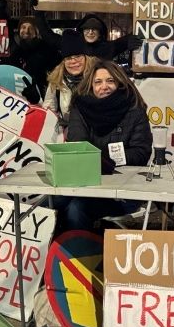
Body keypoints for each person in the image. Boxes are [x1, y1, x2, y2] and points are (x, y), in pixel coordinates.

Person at [53, 60, 153, 232]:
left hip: (122, 189)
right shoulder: (80, 106)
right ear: (91, 85)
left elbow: (140, 153)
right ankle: (56, 251)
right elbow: (79, 144)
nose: (104, 86)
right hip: (85, 183)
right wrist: (101, 158)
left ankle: (82, 255)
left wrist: (103, 158)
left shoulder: (135, 109)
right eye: (98, 82)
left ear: (120, 82)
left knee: (76, 210)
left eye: (110, 81)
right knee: (52, 201)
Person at [42, 30, 95, 132]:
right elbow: (49, 113)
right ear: (63, 61)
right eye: (69, 58)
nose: (74, 61)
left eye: (78, 56)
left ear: (86, 58)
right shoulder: (56, 81)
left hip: (95, 133)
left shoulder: (97, 78)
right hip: (68, 134)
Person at [9, 16, 60, 94]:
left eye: (31, 28)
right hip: (19, 93)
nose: (27, 31)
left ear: (36, 32)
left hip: (43, 94)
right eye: (23, 27)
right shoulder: (16, 52)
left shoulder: (47, 49)